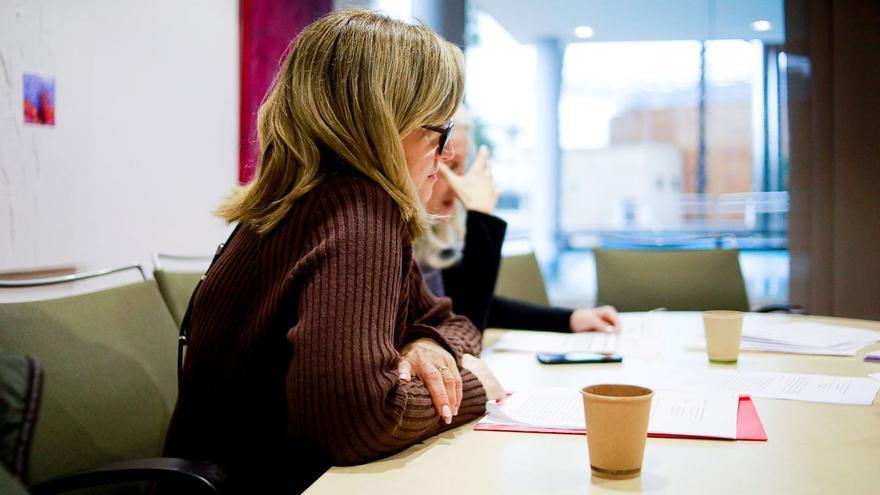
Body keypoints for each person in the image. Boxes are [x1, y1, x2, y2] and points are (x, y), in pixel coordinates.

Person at [163, 10, 503, 494]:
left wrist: (426, 344)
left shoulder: (303, 205)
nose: (446, 155)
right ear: (384, 124)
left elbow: (457, 323)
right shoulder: (359, 211)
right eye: (437, 130)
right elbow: (356, 424)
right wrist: (476, 390)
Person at [415, 108, 621, 333]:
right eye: (452, 166)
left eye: (464, 166)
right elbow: (468, 324)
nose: (462, 181)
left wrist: (571, 318)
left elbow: (476, 305)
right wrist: (480, 217)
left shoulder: (437, 234)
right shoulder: (396, 241)